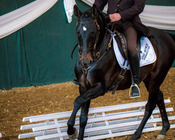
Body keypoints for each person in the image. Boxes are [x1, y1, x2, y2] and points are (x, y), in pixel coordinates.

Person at [94, 0, 150, 98]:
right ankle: (87, 75)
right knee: (93, 40)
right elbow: (99, 3)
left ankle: (135, 83)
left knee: (131, 48)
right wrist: (91, 13)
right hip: (110, 23)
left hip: (128, 24)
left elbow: (139, 6)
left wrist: (121, 15)